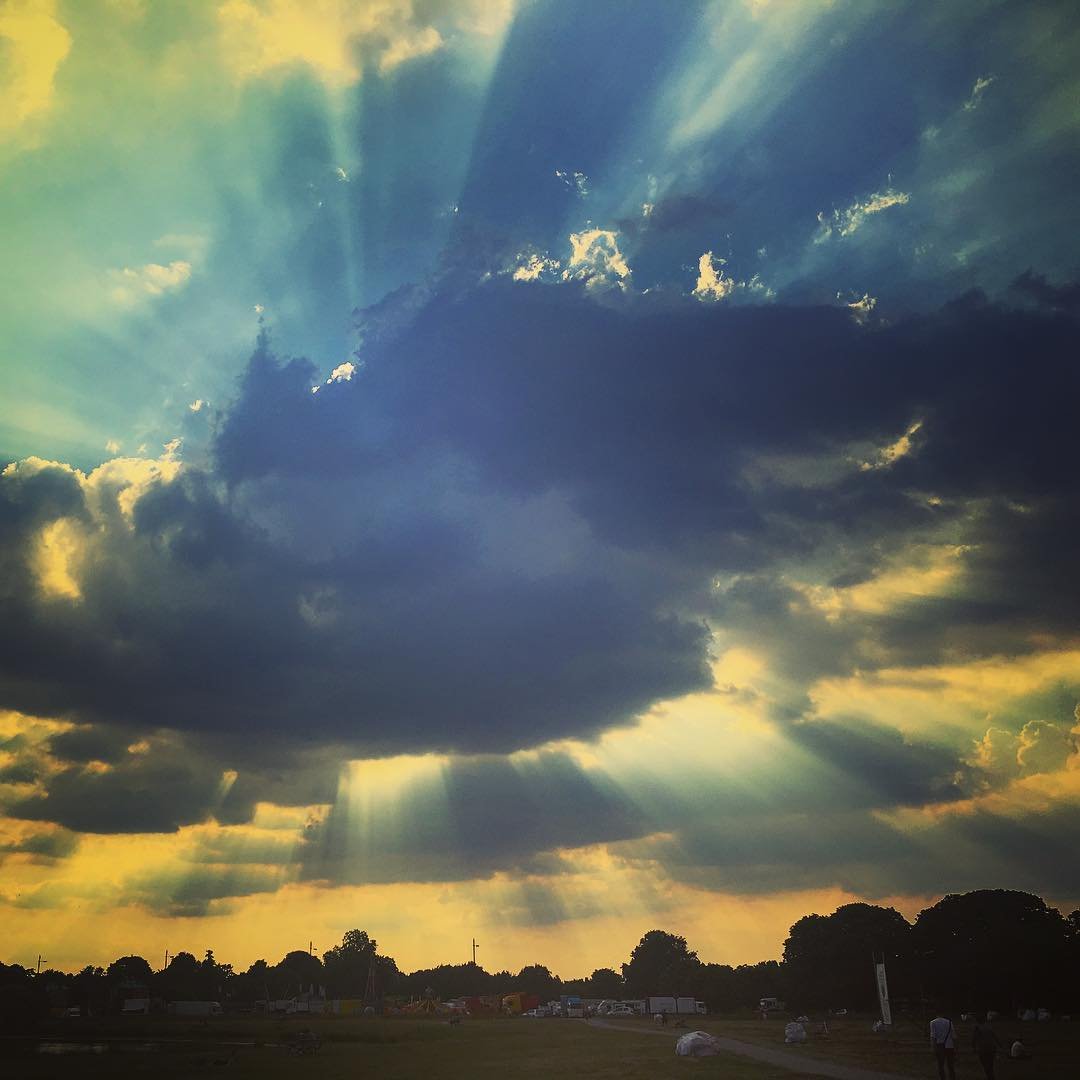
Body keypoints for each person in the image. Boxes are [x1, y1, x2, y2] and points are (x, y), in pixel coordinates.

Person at [972, 1014, 1001, 1079]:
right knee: (990, 1065)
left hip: (983, 1049)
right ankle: (991, 1077)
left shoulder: (977, 1028)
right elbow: (995, 1036)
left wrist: (973, 1047)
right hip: (992, 1048)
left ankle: (990, 1077)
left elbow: (974, 1038)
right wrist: (1000, 1045)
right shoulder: (989, 1027)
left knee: (985, 1065)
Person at [930, 1014, 957, 1080]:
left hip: (940, 1046)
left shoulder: (933, 1022)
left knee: (940, 1066)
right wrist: (956, 1047)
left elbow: (933, 1037)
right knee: (950, 1066)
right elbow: (954, 1036)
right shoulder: (949, 1022)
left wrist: (933, 1047)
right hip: (950, 1046)